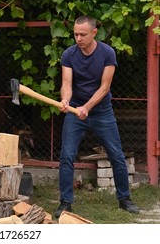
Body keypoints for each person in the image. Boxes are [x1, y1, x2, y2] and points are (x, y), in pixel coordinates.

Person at [55, 15, 139, 218]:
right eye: (75, 34)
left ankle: (124, 199)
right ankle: (65, 203)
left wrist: (88, 107)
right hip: (75, 111)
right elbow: (67, 84)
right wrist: (66, 100)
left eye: (82, 34)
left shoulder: (107, 53)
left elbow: (105, 87)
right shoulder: (69, 54)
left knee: (117, 156)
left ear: (94, 32)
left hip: (102, 112)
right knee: (66, 156)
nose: (78, 38)